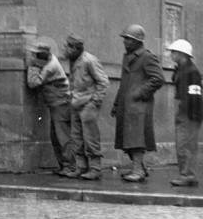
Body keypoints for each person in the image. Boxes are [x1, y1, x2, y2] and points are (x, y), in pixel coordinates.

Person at [111, 24, 165, 183]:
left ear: (138, 41)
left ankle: (138, 170)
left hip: (139, 106)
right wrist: (116, 104)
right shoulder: (127, 57)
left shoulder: (147, 57)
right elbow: (123, 83)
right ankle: (139, 167)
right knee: (126, 138)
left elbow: (158, 78)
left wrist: (140, 93)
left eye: (129, 39)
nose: (125, 42)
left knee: (136, 139)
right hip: (126, 105)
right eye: (125, 38)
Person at [26, 39, 75, 177]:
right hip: (56, 103)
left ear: (42, 56)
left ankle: (70, 166)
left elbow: (33, 83)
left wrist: (32, 67)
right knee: (56, 136)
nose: (33, 58)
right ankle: (65, 165)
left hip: (61, 104)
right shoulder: (50, 60)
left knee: (62, 137)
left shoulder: (50, 67)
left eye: (35, 56)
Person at [64, 34, 109, 180]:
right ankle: (81, 166)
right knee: (76, 138)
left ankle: (95, 168)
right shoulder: (73, 60)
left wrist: (95, 101)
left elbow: (103, 82)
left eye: (68, 47)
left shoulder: (89, 60)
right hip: (76, 103)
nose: (65, 50)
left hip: (88, 104)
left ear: (76, 48)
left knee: (91, 137)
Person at [167, 39, 201, 187]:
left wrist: (191, 115)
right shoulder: (182, 69)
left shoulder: (191, 71)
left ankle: (188, 175)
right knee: (182, 145)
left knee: (186, 145)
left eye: (174, 52)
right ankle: (186, 174)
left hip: (189, 113)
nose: (171, 55)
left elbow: (195, 95)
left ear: (182, 54)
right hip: (184, 111)